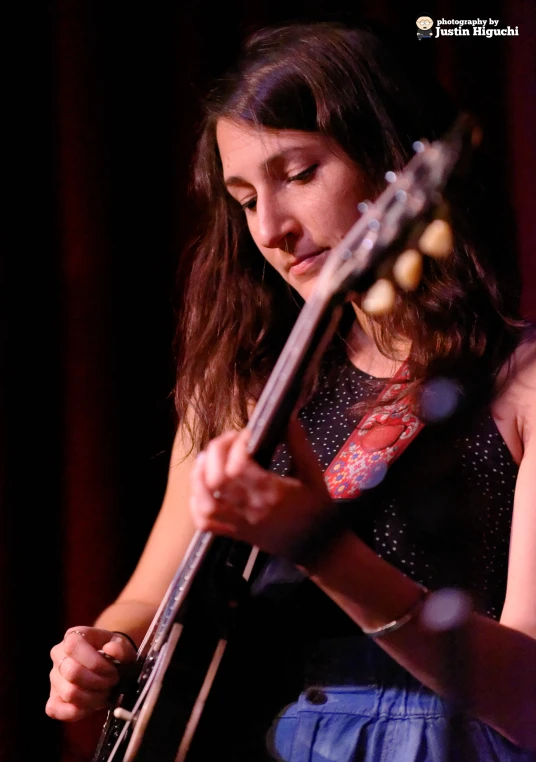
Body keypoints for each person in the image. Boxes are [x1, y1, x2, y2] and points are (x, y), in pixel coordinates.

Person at [46, 20, 536, 762]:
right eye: (243, 199)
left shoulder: (521, 380)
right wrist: (101, 648)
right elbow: (147, 601)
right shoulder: (248, 382)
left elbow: (531, 695)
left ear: (395, 166)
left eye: (299, 174)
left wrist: (322, 549)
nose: (270, 229)